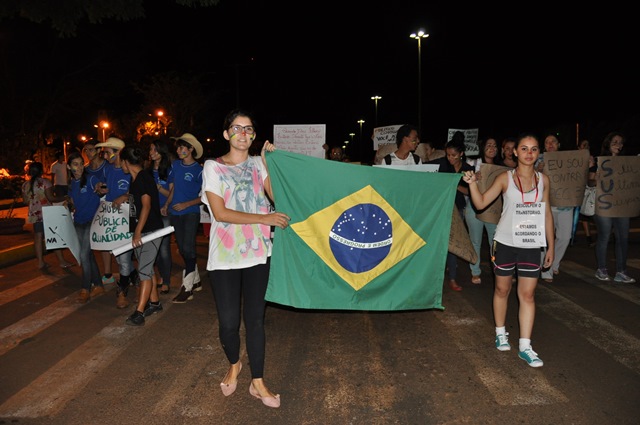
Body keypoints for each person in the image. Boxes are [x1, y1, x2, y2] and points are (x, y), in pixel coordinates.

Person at [202, 109, 290, 409]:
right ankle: (234, 364)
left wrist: (268, 163)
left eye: (248, 129)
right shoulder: (213, 166)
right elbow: (220, 213)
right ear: (226, 134)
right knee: (228, 323)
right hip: (225, 256)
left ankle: (258, 381)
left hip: (257, 252)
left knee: (255, 320)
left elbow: (277, 197)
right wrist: (263, 218)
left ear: (253, 136)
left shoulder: (257, 164)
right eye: (237, 128)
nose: (243, 133)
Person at [462, 132, 554, 368]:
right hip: (504, 242)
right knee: (502, 289)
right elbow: (481, 203)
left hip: (531, 244)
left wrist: (550, 246)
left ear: (538, 153)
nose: (529, 153)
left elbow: (546, 214)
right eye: (524, 148)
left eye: (534, 149)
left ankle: (525, 346)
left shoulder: (544, 180)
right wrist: (472, 184)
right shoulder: (505, 178)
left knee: (528, 295)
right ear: (515, 152)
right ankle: (500, 332)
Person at [120, 146, 164, 326]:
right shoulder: (136, 179)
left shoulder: (143, 178)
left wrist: (137, 232)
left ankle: (139, 313)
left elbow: (146, 206)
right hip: (142, 231)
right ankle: (155, 303)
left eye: (121, 162)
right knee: (147, 268)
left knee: (144, 271)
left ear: (125, 162)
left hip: (150, 231)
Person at [94, 137, 138, 309]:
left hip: (127, 219)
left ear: (118, 152)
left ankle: (122, 293)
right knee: (121, 259)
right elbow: (107, 191)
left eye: (107, 152)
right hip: (113, 220)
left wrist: (125, 196)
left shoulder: (130, 170)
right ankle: (138, 282)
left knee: (124, 259)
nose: (105, 156)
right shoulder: (108, 170)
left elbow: (140, 193)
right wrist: (100, 189)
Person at [429, 132, 474, 291]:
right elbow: (424, 170)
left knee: (453, 244)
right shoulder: (440, 164)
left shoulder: (468, 169)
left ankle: (453, 278)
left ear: (461, 154)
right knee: (437, 242)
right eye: (448, 155)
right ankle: (434, 275)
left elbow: (469, 192)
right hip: (440, 209)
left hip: (457, 210)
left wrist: (454, 184)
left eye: (453, 155)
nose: (450, 158)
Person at [592, 131, 636, 283]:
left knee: (623, 238)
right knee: (604, 236)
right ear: (608, 143)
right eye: (615, 142)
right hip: (604, 205)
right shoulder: (598, 161)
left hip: (622, 205)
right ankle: (601, 269)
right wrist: (595, 178)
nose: (618, 144)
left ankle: (621, 271)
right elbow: (589, 182)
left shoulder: (627, 163)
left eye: (620, 142)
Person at [165, 133, 204, 303]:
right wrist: (167, 204)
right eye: (178, 148)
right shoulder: (175, 165)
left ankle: (187, 288)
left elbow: (205, 196)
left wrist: (186, 204)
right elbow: (173, 188)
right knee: (183, 249)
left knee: (188, 248)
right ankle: (196, 280)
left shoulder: (200, 171)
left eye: (182, 147)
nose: (178, 150)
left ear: (191, 149)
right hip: (175, 213)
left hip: (191, 213)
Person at [66, 151, 104, 303]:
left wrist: (100, 187)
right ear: (69, 167)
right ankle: (99, 285)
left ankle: (85, 288)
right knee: (88, 255)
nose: (80, 167)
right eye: (76, 164)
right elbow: (73, 202)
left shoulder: (90, 178)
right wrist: (67, 204)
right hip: (78, 222)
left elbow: (100, 186)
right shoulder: (71, 184)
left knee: (83, 255)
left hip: (91, 222)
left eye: (81, 164)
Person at [21, 161, 74, 270]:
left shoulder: (25, 185)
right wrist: (65, 197)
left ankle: (40, 262)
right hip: (48, 213)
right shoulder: (45, 182)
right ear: (41, 171)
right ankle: (61, 261)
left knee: (38, 238)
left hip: (35, 214)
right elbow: (51, 198)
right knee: (54, 236)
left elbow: (25, 201)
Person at [536, 133, 573, 283]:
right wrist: (538, 170)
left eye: (554, 141)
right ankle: (547, 270)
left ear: (559, 145)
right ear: (544, 146)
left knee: (565, 237)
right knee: (545, 239)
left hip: (565, 205)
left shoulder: (569, 160)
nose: (550, 144)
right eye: (547, 142)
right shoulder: (537, 159)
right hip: (546, 206)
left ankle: (554, 262)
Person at [464, 137, 499, 284]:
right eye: (489, 145)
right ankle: (475, 271)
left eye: (495, 145)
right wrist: (474, 177)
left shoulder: (501, 167)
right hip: (474, 208)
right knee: (475, 241)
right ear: (483, 147)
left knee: (495, 242)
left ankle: (499, 271)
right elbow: (461, 178)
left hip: (493, 209)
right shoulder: (472, 163)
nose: (492, 147)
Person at [82, 139, 113, 285]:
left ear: (98, 150)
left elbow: (113, 185)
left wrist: (102, 189)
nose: (88, 153)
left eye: (91, 149)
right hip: (92, 207)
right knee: (98, 240)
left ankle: (112, 273)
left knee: (109, 238)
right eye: (86, 150)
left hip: (109, 206)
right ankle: (103, 274)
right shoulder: (85, 170)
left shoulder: (107, 166)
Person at [148, 139, 174, 294]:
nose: (151, 153)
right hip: (151, 213)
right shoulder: (148, 170)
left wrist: (158, 188)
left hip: (164, 212)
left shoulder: (169, 170)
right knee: (153, 248)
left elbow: (172, 192)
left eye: (154, 150)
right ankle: (159, 276)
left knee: (163, 248)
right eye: (150, 149)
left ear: (161, 152)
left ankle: (166, 280)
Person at [576, 139, 596, 247]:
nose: (586, 147)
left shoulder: (592, 159)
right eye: (584, 145)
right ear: (579, 148)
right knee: (581, 215)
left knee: (588, 212)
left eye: (588, 145)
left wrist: (591, 166)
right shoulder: (574, 160)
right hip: (576, 190)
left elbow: (592, 177)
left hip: (588, 190)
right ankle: (587, 237)